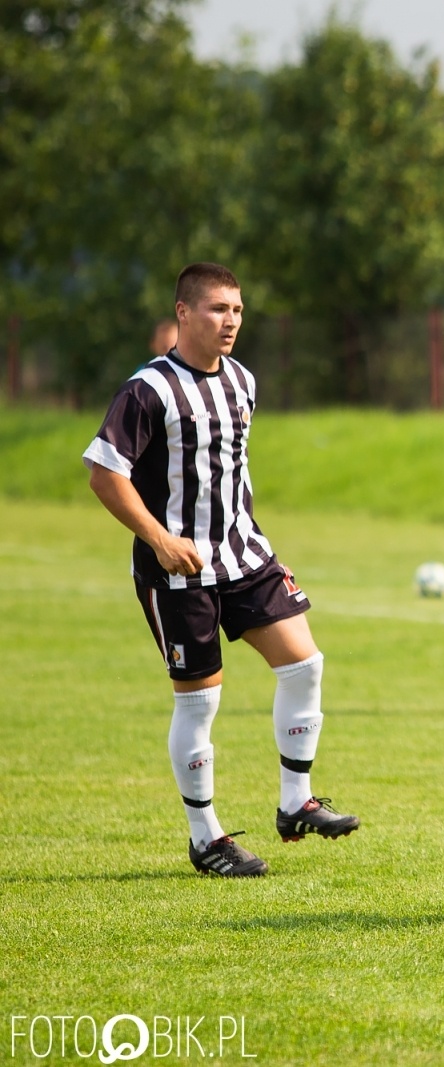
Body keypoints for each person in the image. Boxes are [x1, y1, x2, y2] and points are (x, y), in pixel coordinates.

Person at [84, 263, 359, 878]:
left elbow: (231, 469)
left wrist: (253, 534)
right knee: (200, 704)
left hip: (244, 556)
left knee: (304, 664)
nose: (230, 320)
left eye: (237, 309)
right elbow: (105, 473)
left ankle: (296, 803)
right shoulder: (147, 390)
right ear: (183, 313)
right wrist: (158, 538)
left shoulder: (242, 381)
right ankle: (206, 839)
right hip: (177, 570)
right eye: (217, 309)